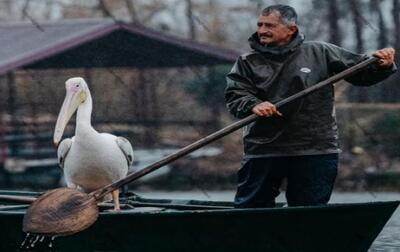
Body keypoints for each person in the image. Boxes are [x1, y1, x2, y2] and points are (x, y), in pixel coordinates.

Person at [225, 4, 396, 208]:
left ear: (291, 29)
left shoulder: (320, 51)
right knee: (250, 209)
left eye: (269, 25)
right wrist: (254, 105)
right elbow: (235, 95)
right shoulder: (247, 62)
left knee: (309, 211)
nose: (262, 30)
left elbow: (362, 73)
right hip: (264, 148)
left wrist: (382, 64)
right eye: (260, 25)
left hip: (315, 149)